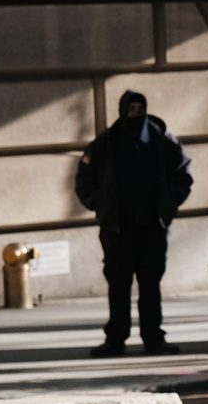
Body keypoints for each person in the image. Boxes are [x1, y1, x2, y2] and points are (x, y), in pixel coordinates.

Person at [75, 92, 193, 357]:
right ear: (122, 111)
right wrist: (101, 205)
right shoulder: (106, 143)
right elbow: (84, 179)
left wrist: (169, 205)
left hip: (152, 226)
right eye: (132, 109)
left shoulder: (162, 140)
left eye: (140, 108)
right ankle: (116, 339)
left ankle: (153, 338)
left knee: (150, 284)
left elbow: (183, 173)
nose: (136, 114)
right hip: (118, 229)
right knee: (119, 285)